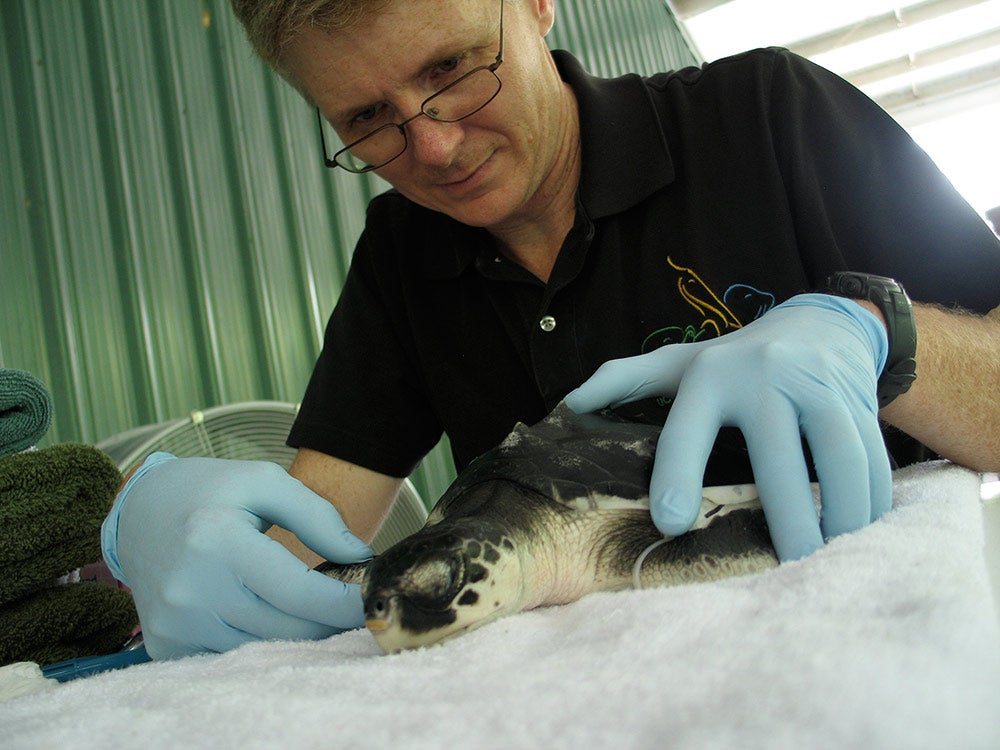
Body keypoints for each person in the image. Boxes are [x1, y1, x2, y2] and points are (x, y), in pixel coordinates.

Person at [101, 0, 1000, 660]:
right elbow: (300, 546)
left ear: (535, 6)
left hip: (892, 654)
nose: (435, 148)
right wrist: (148, 533)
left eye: (452, 68)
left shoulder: (765, 112)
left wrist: (876, 334)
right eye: (366, 119)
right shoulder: (401, 257)